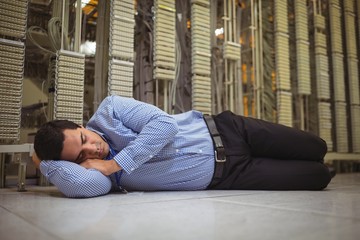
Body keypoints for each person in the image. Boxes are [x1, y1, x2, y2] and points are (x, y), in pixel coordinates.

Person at [32, 95, 332, 198]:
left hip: (232, 132)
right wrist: (44, 161)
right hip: (231, 175)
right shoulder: (97, 175)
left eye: (84, 140)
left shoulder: (111, 110)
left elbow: (165, 125)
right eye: (80, 156)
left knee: (316, 147)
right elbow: (82, 187)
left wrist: (115, 163)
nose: (92, 151)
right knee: (319, 177)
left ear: (81, 125)